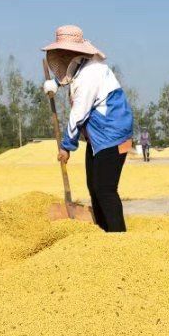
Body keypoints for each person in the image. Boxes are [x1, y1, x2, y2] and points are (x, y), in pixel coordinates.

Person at [42, 25, 133, 232]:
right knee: (94, 187)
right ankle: (102, 233)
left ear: (75, 52)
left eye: (65, 52)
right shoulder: (81, 67)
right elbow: (69, 77)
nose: (62, 56)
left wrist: (66, 146)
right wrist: (54, 85)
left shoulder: (92, 73)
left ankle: (119, 238)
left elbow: (79, 114)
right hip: (98, 139)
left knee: (105, 189)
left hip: (114, 137)